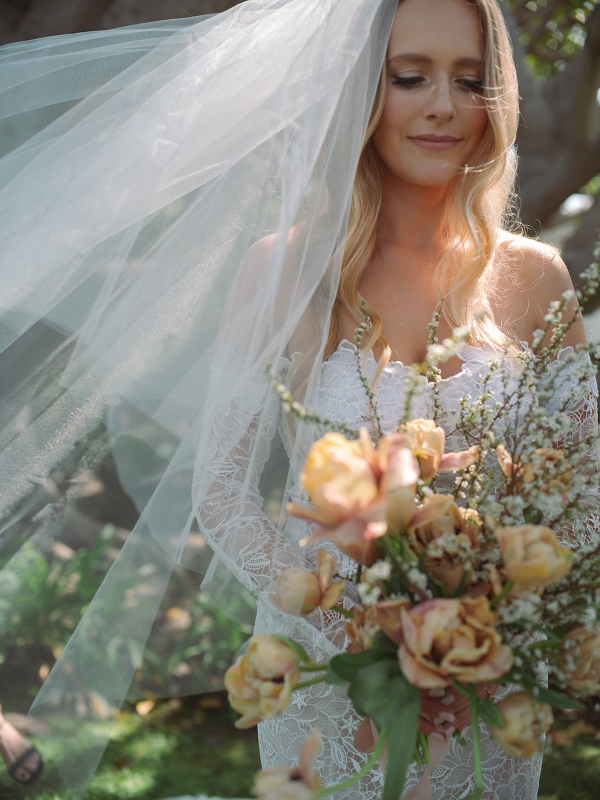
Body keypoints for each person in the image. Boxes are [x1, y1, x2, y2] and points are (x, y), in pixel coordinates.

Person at [0, 1, 596, 799]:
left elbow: (585, 490)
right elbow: (222, 487)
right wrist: (350, 619)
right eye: (410, 77)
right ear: (361, 92)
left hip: (490, 671)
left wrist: (496, 611)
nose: (444, 106)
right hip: (327, 670)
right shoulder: (285, 269)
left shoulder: (536, 279)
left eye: (470, 79)